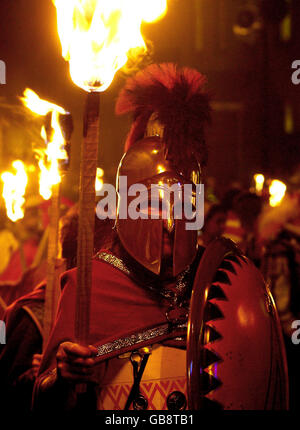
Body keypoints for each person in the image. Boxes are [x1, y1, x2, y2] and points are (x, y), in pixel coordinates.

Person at [33, 63, 288, 411]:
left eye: (182, 203)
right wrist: (62, 375)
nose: (168, 219)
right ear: (128, 203)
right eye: (152, 202)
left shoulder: (218, 281)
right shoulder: (88, 286)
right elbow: (42, 400)